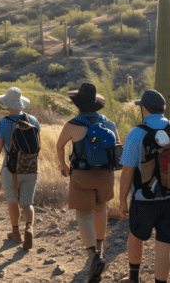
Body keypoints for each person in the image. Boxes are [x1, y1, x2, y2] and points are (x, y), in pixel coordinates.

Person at [118, 90, 170, 283]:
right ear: (163, 109)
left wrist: (122, 200)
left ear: (144, 108)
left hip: (144, 199)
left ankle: (133, 278)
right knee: (164, 246)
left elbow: (127, 171)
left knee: (136, 236)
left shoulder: (136, 133)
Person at [57, 83, 120, 283]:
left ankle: (93, 256)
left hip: (82, 175)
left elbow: (59, 146)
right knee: (101, 209)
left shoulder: (73, 124)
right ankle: (100, 249)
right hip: (106, 175)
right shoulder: (109, 124)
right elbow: (116, 148)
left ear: (79, 105)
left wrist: (64, 165)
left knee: (84, 214)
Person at [0, 87, 41, 251]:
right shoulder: (33, 120)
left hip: (11, 168)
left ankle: (16, 233)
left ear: (7, 104)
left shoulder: (2, 123)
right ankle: (29, 228)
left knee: (12, 200)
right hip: (31, 167)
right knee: (27, 202)